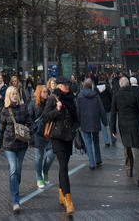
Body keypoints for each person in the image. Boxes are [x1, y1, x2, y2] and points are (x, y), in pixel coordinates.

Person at [43, 78, 78, 213]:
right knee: (63, 165)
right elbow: (45, 116)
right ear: (59, 86)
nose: (67, 86)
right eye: (64, 84)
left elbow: (76, 118)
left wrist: (74, 129)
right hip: (57, 136)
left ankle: (61, 193)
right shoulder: (53, 98)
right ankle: (68, 199)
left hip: (68, 136)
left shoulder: (71, 99)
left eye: (68, 84)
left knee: (64, 166)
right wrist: (57, 110)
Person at [0, 85, 32, 214]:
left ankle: (15, 185)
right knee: (13, 169)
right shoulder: (5, 110)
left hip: (21, 144)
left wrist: (33, 130)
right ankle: (15, 200)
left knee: (18, 170)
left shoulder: (23, 108)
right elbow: (1, 128)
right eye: (12, 94)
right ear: (8, 96)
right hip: (9, 144)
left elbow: (30, 122)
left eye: (16, 94)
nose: (15, 96)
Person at [111, 75, 139, 188]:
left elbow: (113, 114)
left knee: (127, 147)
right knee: (136, 150)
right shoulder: (134, 95)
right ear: (129, 85)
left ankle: (129, 169)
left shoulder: (116, 96)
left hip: (123, 125)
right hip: (134, 124)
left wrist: (113, 129)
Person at [76, 78, 106, 169]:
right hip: (95, 120)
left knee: (88, 142)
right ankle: (98, 159)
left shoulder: (80, 96)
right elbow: (101, 109)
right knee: (96, 141)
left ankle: (91, 162)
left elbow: (78, 110)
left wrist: (77, 122)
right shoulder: (96, 95)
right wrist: (104, 121)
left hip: (85, 121)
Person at [29, 85, 55, 188]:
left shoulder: (50, 103)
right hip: (38, 134)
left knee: (51, 155)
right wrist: (35, 127)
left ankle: (45, 171)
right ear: (39, 92)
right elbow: (29, 118)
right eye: (44, 92)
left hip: (49, 132)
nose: (46, 94)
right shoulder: (33, 104)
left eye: (47, 92)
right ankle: (39, 177)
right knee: (38, 157)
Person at [97, 75, 114, 146]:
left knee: (103, 125)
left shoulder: (96, 88)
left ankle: (106, 141)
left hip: (101, 109)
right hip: (108, 107)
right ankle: (113, 138)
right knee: (111, 124)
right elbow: (111, 96)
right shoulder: (108, 87)